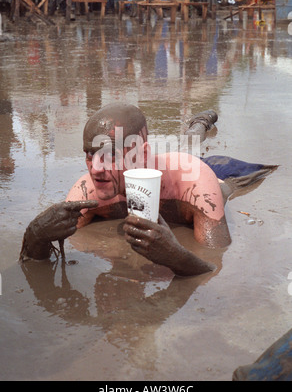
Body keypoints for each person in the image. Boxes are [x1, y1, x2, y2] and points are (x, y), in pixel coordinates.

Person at [20, 103, 232, 276]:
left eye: (110, 155)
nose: (95, 169)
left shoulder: (193, 184)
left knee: (190, 147)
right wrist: (36, 234)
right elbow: (36, 261)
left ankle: (201, 122)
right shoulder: (88, 191)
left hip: (190, 171)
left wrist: (176, 257)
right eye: (89, 155)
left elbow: (215, 265)